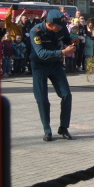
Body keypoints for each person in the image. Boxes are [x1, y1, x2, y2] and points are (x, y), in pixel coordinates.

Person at [30, 9, 76, 141]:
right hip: (40, 66)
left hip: (55, 65)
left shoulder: (60, 28)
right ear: (49, 24)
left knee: (66, 95)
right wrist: (63, 52)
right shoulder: (36, 31)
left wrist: (73, 41)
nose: (61, 29)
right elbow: (42, 54)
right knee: (42, 99)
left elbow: (66, 38)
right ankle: (47, 130)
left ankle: (64, 127)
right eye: (58, 27)